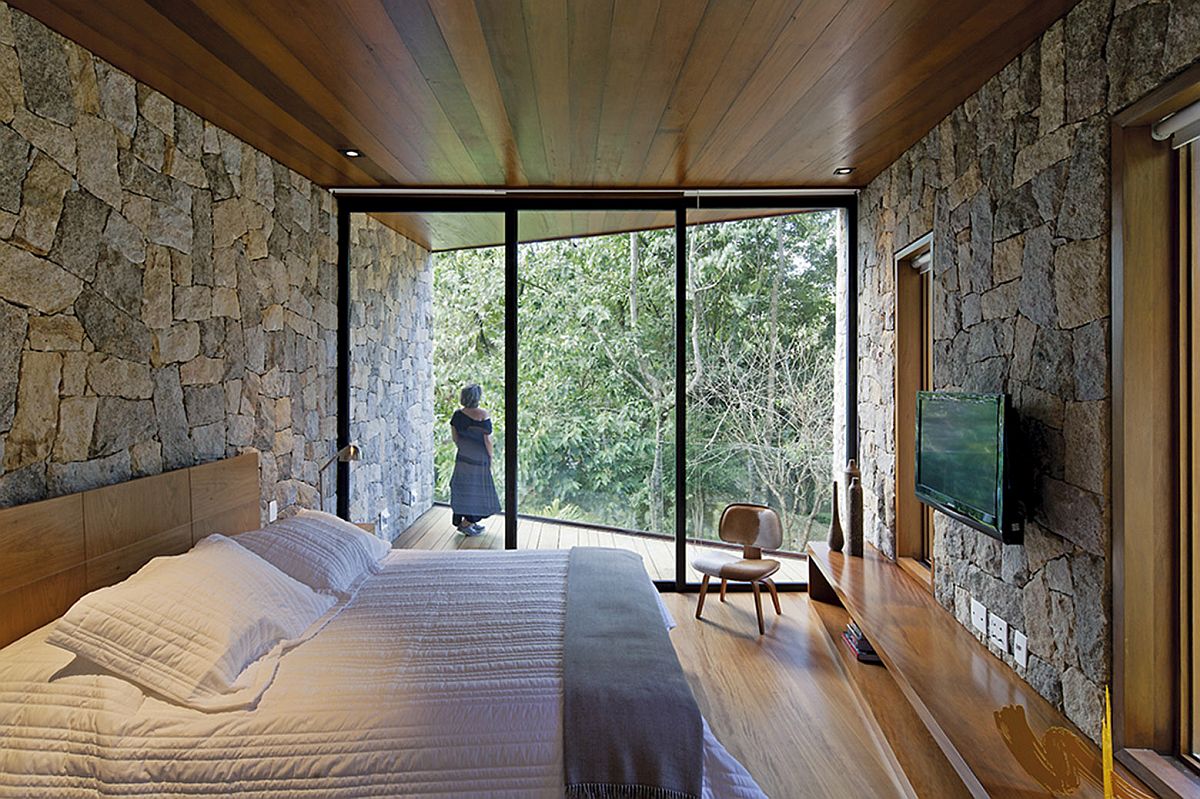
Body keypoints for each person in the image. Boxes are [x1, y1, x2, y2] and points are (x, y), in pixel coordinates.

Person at [449, 384, 501, 535]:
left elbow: (455, 438)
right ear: (477, 397)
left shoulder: (457, 415)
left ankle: (471, 522)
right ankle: (466, 524)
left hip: (463, 458)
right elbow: (488, 441)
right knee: (480, 492)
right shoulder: (483, 415)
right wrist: (491, 457)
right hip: (478, 460)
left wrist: (464, 448)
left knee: (465, 489)